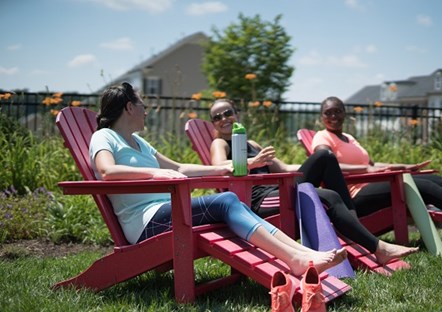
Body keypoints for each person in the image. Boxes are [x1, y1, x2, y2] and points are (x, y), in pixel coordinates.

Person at [89, 82, 349, 277]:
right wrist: (154, 172)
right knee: (226, 201)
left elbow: (180, 167)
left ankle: (303, 254)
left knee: (230, 202)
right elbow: (106, 171)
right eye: (143, 105)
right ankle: (295, 257)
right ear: (129, 107)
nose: (146, 111)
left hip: (166, 212)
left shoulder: (140, 143)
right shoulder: (104, 136)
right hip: (145, 223)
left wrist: (226, 168)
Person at [209, 99, 419, 265]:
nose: (224, 118)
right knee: (328, 194)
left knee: (325, 160)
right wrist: (252, 162)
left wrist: (311, 164)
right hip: (260, 201)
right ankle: (378, 247)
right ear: (214, 124)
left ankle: (361, 236)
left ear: (237, 114)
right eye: (217, 117)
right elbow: (220, 168)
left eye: (228, 112)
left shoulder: (251, 142)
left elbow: (282, 169)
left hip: (277, 189)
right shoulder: (220, 143)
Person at [312, 96, 442, 220]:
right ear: (322, 117)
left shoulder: (350, 139)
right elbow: (328, 166)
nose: (333, 116)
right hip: (353, 196)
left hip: (371, 183)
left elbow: (372, 164)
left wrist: (404, 166)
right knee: (420, 186)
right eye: (328, 112)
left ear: (344, 113)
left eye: (337, 111)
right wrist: (368, 170)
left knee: (429, 178)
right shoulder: (322, 137)